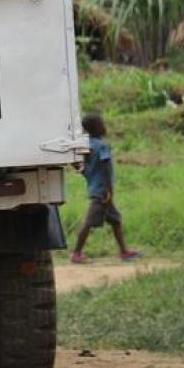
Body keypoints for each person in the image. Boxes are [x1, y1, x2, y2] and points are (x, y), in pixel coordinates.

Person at [71, 112, 140, 263]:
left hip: (96, 189)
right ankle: (76, 254)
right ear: (97, 128)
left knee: (115, 220)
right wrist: (108, 191)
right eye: (102, 124)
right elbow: (105, 169)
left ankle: (124, 252)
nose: (105, 126)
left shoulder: (87, 145)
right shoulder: (102, 146)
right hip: (102, 192)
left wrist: (84, 173)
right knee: (89, 223)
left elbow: (81, 167)